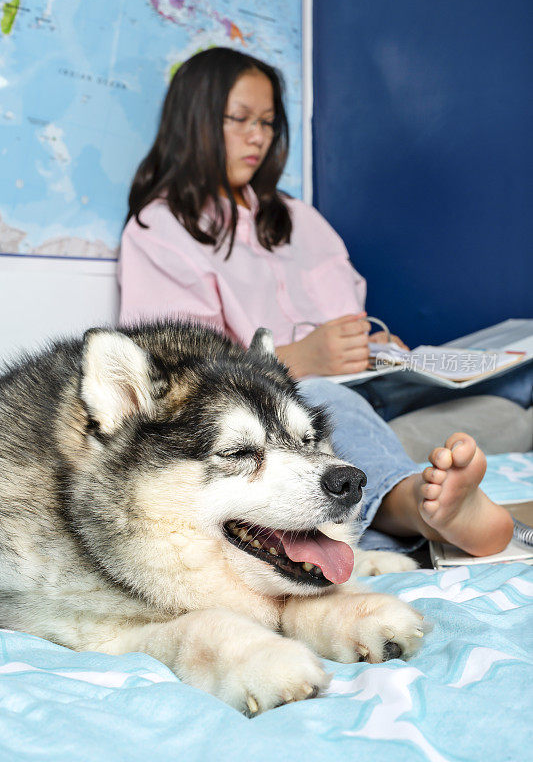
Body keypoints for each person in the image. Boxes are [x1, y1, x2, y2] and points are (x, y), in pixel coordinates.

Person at [118, 47, 514, 556]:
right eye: (239, 119)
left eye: (266, 122)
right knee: (325, 399)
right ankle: (420, 505)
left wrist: (377, 347)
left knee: (513, 392)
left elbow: (346, 314)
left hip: (376, 390)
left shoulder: (301, 219)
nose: (257, 136)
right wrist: (300, 359)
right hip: (296, 409)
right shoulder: (159, 230)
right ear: (191, 122)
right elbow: (185, 380)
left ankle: (416, 462)